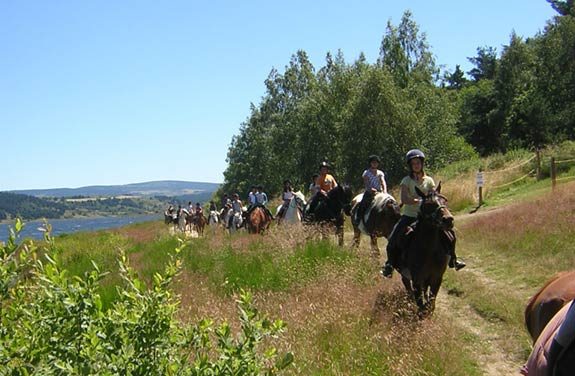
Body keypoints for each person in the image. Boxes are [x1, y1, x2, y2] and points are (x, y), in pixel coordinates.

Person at [381, 149, 465, 278]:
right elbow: (404, 199)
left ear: (422, 164)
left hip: (428, 217)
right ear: (410, 166)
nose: (416, 165)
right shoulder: (406, 181)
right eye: (414, 163)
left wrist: (435, 201)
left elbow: (433, 195)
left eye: (418, 162)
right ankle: (389, 265)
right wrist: (419, 200)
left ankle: (453, 259)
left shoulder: (429, 180)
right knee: (393, 239)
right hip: (410, 216)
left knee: (450, 234)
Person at [353, 155, 387, 227]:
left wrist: (385, 191)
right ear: (370, 163)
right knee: (363, 204)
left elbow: (383, 182)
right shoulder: (366, 173)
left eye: (376, 162)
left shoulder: (380, 173)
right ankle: (358, 219)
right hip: (370, 192)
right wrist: (371, 189)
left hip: (380, 192)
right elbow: (367, 183)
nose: (375, 164)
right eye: (373, 162)